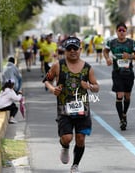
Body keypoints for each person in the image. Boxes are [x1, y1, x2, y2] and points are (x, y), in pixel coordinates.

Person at [43, 36, 99, 173]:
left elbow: (97, 87)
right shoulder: (58, 65)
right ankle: (65, 146)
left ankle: (75, 165)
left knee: (80, 138)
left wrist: (90, 86)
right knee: (67, 138)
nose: (72, 51)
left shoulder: (87, 68)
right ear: (65, 51)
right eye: (69, 49)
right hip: (64, 109)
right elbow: (46, 80)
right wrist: (52, 89)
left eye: (75, 48)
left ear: (80, 49)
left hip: (82, 109)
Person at [103, 22, 135, 131]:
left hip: (128, 73)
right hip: (117, 72)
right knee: (120, 94)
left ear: (126, 31)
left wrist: (129, 56)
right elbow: (105, 51)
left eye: (123, 30)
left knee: (127, 96)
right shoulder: (111, 42)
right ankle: (122, 120)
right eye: (119, 30)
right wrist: (108, 59)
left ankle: (124, 113)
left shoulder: (132, 43)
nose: (121, 32)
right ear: (116, 32)